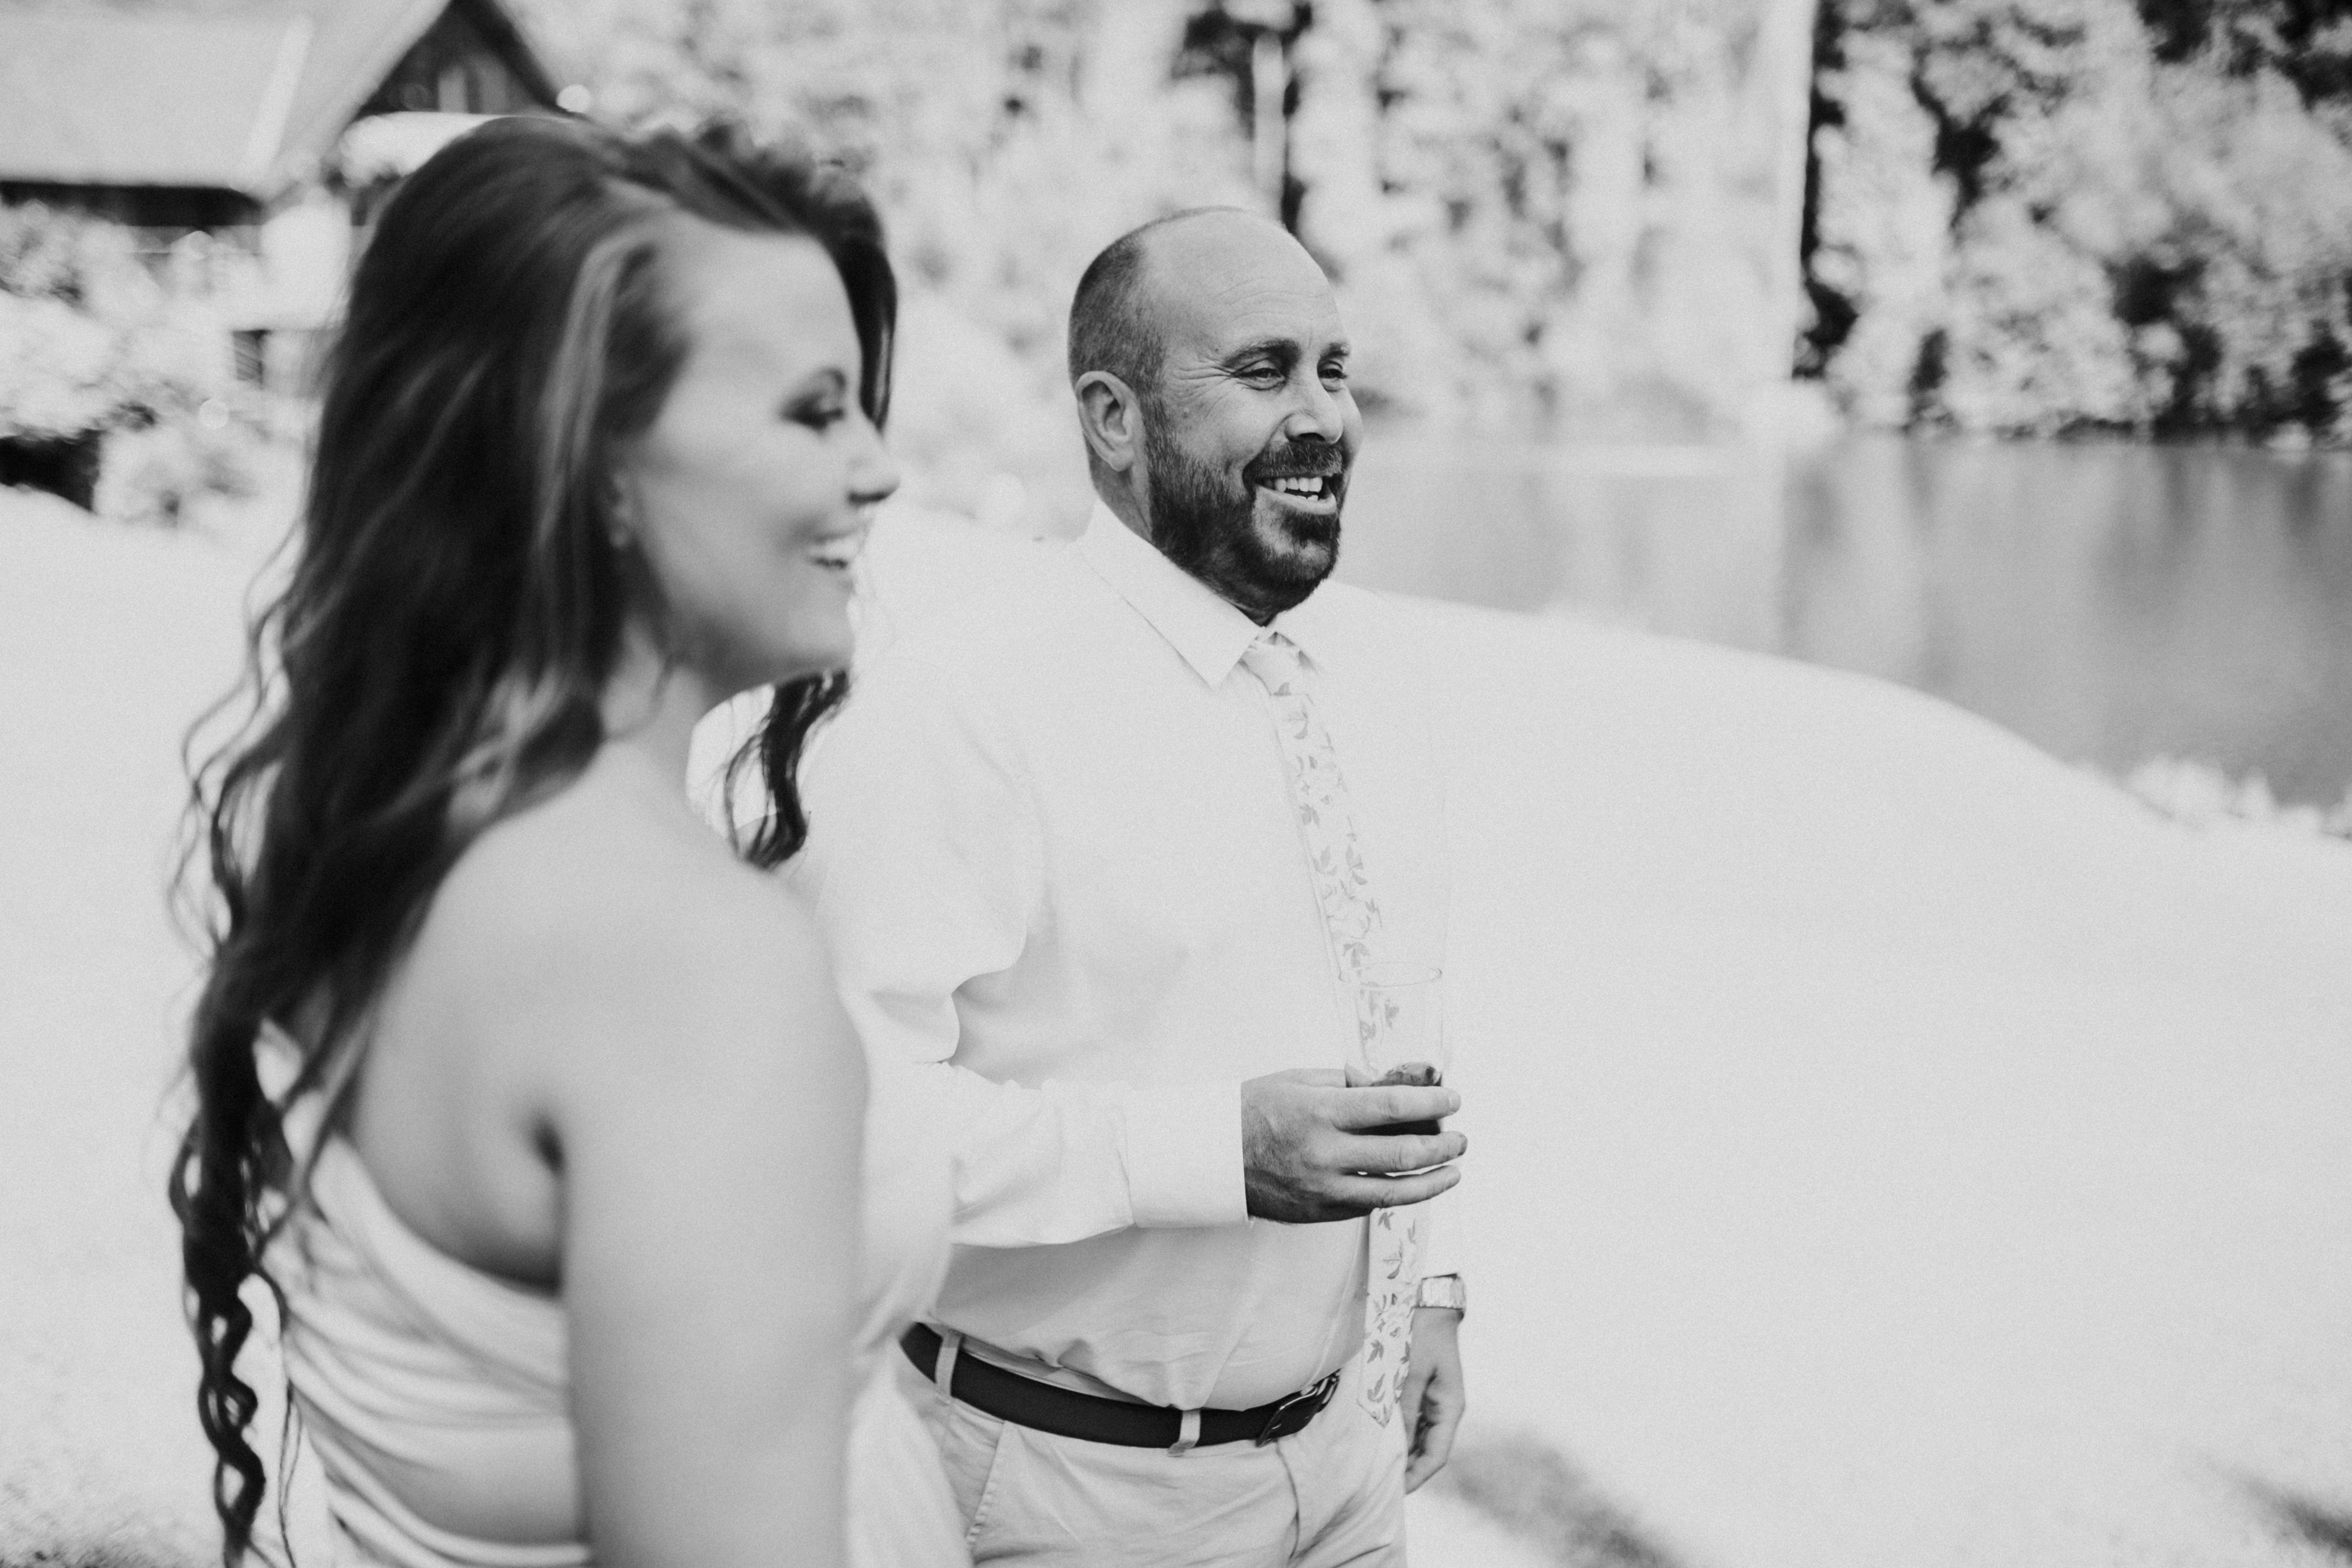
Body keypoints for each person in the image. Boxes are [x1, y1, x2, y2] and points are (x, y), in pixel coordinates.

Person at [169, 117, 965, 1568]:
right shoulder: (683, 963)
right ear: (593, 459)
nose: (879, 469)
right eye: (813, 409)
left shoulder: (405, 825)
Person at [784, 207, 1469, 1566]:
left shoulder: (1375, 677)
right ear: (1113, 416)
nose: (1323, 416)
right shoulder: (963, 706)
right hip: (1074, 1495)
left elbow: (1403, 1004)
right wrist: (1215, 1152)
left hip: (1348, 1474)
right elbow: (857, 1131)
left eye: (1335, 370)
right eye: (1264, 373)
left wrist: (1430, 1287)